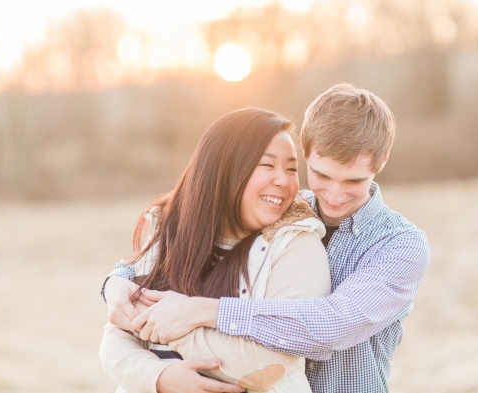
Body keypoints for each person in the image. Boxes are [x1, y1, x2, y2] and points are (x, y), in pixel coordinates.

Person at [105, 82, 431, 392]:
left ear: (382, 161)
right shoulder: (279, 208)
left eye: (353, 182)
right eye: (321, 174)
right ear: (306, 152)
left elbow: (330, 327)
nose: (334, 194)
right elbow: (188, 238)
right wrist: (116, 282)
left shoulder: (400, 245)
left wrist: (202, 311)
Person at [99, 107, 332, 393]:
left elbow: (273, 362)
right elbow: (115, 339)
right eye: (268, 165)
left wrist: (174, 327)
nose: (284, 181)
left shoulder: (297, 244)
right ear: (225, 169)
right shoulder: (171, 229)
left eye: (292, 168)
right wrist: (160, 377)